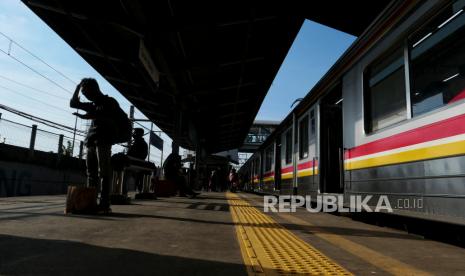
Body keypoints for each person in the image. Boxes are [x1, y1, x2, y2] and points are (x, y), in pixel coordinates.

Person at [70, 78, 125, 213]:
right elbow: (73, 103)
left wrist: (87, 116)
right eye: (82, 92)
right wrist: (78, 86)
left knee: (104, 172)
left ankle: (105, 203)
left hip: (104, 140)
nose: (84, 95)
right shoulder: (93, 104)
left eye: (85, 91)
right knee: (91, 173)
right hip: (91, 141)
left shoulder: (110, 102)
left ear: (94, 89)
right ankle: (90, 202)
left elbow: (106, 116)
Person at [126, 128, 149, 193]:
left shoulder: (139, 143)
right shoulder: (140, 142)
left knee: (125, 173)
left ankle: (123, 190)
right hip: (136, 163)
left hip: (134, 164)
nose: (133, 134)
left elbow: (132, 154)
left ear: (140, 134)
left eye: (135, 132)